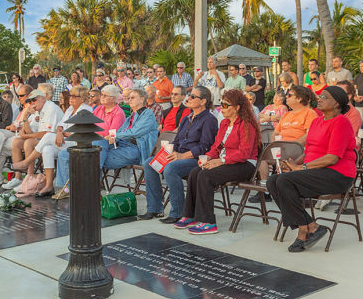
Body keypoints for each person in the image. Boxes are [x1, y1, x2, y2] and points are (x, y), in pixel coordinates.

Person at [267, 86, 357, 252]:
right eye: (320, 95)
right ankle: (311, 225)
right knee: (273, 181)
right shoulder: (317, 121)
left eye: (324, 96)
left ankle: (304, 231)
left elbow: (333, 157)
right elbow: (309, 151)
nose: (319, 98)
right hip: (314, 171)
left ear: (336, 103)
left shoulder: (341, 122)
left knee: (285, 181)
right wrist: (292, 164)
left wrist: (301, 168)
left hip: (338, 174)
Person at [173, 89, 260, 235]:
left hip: (245, 165)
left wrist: (221, 161)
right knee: (195, 172)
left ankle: (208, 222)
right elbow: (216, 147)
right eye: (221, 104)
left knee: (206, 176)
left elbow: (244, 154)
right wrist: (208, 157)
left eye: (226, 105)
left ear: (237, 107)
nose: (222, 108)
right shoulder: (225, 124)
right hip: (227, 161)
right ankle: (191, 215)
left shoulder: (246, 125)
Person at [140, 86, 218, 222]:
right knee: (149, 163)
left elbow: (205, 147)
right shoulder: (186, 118)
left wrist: (181, 156)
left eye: (193, 97)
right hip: (179, 155)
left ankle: (178, 212)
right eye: (189, 95)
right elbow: (176, 141)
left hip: (196, 159)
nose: (188, 98)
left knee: (171, 168)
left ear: (203, 101)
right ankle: (155, 208)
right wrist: (168, 153)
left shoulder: (209, 120)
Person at [53, 85, 126, 196]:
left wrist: (95, 136)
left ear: (114, 99)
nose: (102, 97)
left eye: (105, 95)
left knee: (94, 149)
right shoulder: (99, 109)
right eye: (102, 94)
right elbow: (88, 125)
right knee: (63, 154)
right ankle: (65, 189)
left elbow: (112, 134)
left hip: (105, 143)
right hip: (90, 140)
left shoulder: (118, 113)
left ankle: (89, 184)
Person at [102, 89, 158, 173]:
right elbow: (120, 132)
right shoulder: (130, 117)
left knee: (97, 157)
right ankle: (97, 182)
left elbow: (135, 132)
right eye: (129, 98)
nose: (129, 100)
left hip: (136, 148)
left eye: (132, 97)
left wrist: (115, 136)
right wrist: (111, 138)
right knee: (98, 145)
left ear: (142, 99)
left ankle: (95, 181)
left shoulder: (148, 114)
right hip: (123, 146)